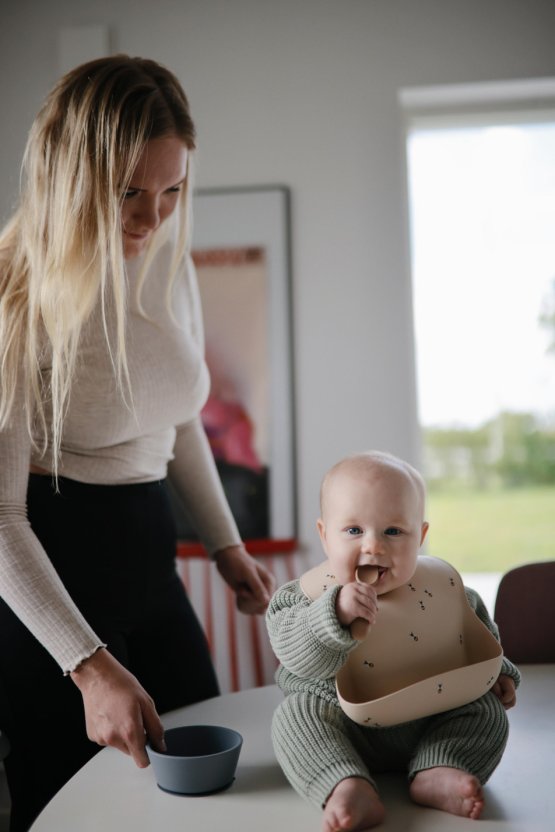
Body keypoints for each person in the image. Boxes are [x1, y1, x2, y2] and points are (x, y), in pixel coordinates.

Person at [0, 55, 274, 832]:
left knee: (209, 788)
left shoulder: (164, 264)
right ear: (69, 175)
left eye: (171, 191)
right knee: (80, 812)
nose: (152, 219)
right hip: (51, 577)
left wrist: (224, 546)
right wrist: (87, 668)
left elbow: (176, 416)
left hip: (152, 567)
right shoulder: (10, 295)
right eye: (127, 192)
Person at [266, 450, 520, 831]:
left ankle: (441, 768)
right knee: (293, 718)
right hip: (342, 724)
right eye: (354, 531)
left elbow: (477, 638)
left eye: (393, 531)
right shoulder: (302, 597)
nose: (373, 546)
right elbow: (295, 655)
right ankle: (344, 783)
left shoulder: (449, 589)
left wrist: (498, 673)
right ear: (324, 534)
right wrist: (331, 616)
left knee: (486, 712)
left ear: (421, 535)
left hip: (433, 717)